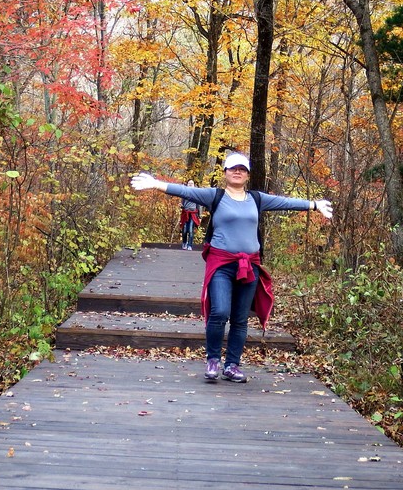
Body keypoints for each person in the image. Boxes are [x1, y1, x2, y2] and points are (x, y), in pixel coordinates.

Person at [131, 153, 333, 383]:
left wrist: (314, 205)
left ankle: (232, 365)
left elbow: (284, 202)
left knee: (240, 318)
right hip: (222, 264)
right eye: (232, 168)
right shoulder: (214, 196)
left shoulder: (256, 199)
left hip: (250, 266)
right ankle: (213, 360)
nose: (237, 172)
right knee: (219, 312)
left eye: (242, 169)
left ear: (247, 174)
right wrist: (156, 184)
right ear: (225, 172)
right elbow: (185, 192)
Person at [179, 180, 200, 250]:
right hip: (185, 213)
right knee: (184, 230)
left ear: (194, 185)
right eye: (189, 183)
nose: (190, 184)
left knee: (191, 230)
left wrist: (199, 215)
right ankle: (184, 243)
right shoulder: (184, 193)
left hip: (193, 214)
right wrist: (181, 206)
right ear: (187, 184)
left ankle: (190, 245)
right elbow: (182, 204)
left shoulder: (196, 193)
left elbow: (198, 205)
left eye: (192, 183)